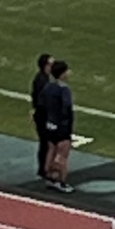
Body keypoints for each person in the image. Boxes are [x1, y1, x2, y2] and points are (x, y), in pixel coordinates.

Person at [43, 59, 74, 189]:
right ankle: (62, 182)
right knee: (63, 155)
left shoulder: (48, 87)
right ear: (62, 74)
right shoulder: (64, 90)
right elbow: (66, 108)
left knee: (51, 151)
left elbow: (43, 104)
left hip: (50, 123)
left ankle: (49, 177)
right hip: (62, 126)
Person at [31, 53, 52, 179]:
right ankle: (44, 169)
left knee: (45, 143)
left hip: (41, 114)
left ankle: (44, 167)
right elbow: (41, 100)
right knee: (45, 142)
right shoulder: (42, 81)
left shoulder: (43, 78)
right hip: (43, 116)